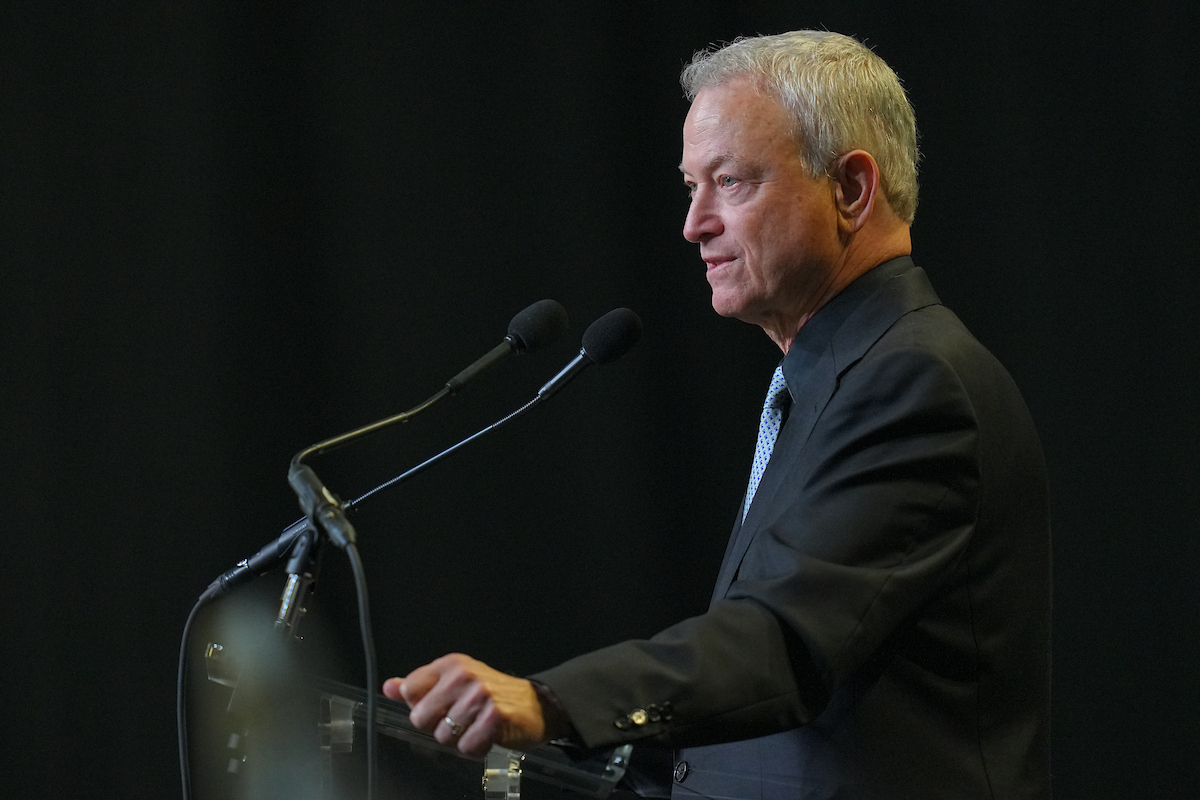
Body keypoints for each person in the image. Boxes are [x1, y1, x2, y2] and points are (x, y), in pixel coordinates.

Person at [384, 30, 1051, 799]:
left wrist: (552, 703)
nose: (694, 224)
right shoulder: (830, 378)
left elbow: (781, 644)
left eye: (729, 182)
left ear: (851, 189)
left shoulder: (914, 382)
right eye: (690, 186)